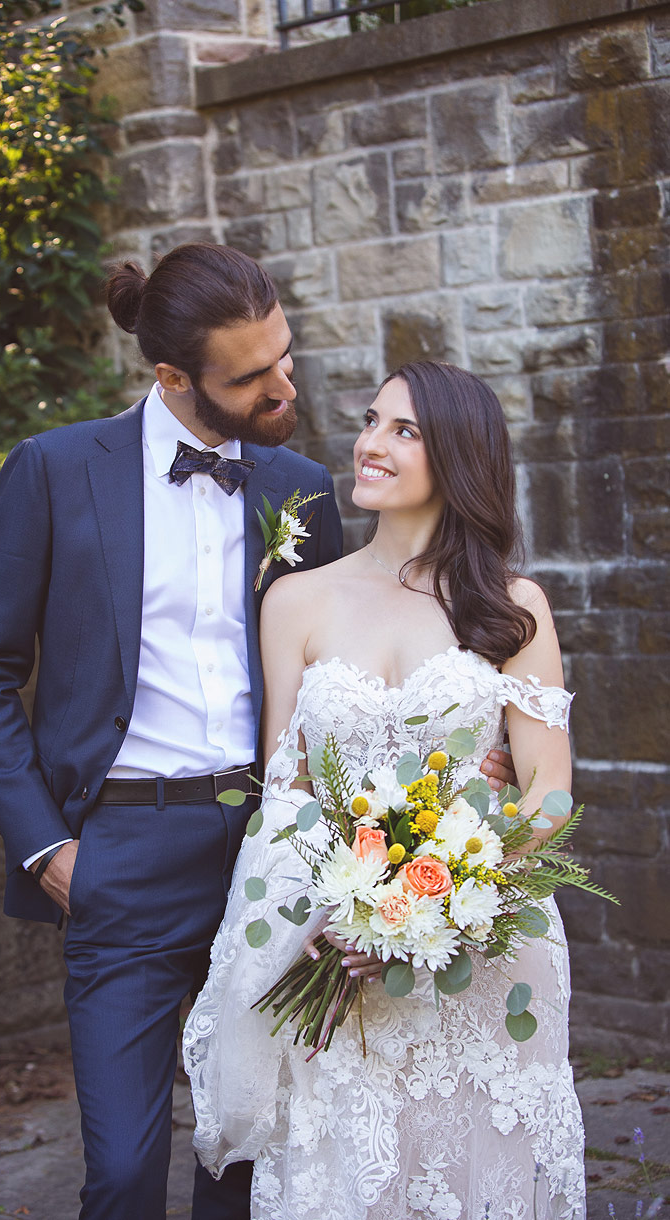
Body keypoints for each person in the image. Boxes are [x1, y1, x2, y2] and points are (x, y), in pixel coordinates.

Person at [0, 244, 516, 1220]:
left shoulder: (299, 486)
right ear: (174, 376)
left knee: (253, 1152)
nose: (283, 384)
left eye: (283, 357)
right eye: (251, 375)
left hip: (275, 851)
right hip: (117, 852)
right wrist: (47, 845)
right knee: (124, 1170)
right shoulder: (51, 471)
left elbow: (340, 671)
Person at [183, 360, 586, 1220]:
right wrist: (351, 916)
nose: (369, 443)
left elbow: (548, 789)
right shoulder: (295, 599)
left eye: (403, 430)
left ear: (459, 456)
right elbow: (283, 792)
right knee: (347, 1173)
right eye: (371, 421)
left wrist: (440, 902)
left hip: (482, 947)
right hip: (335, 939)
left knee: (476, 1173)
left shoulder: (513, 608)